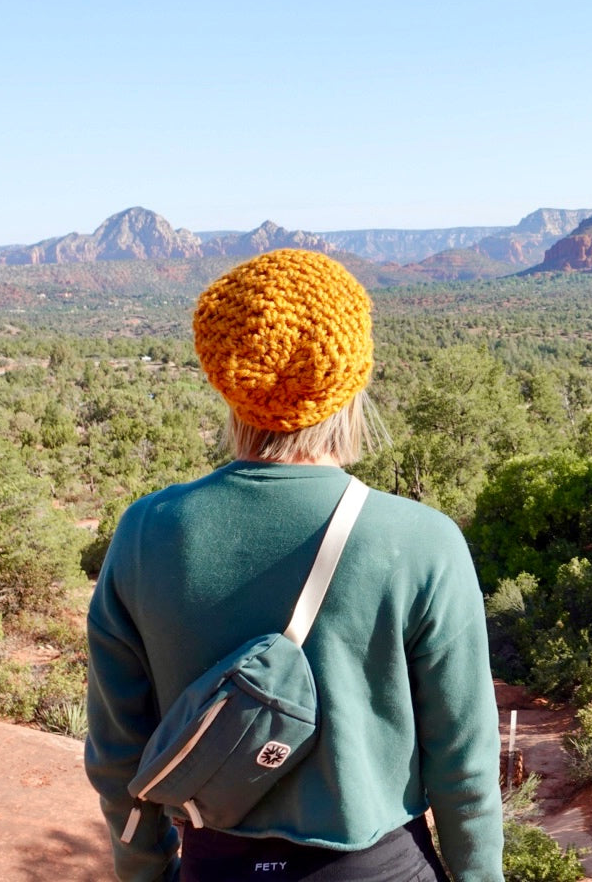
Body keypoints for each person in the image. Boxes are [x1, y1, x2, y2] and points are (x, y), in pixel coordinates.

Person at [85, 249, 503, 882]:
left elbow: (119, 752)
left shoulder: (148, 531)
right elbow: (464, 765)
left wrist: (146, 874)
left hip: (213, 866)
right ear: (352, 374)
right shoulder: (421, 540)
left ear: (222, 374)